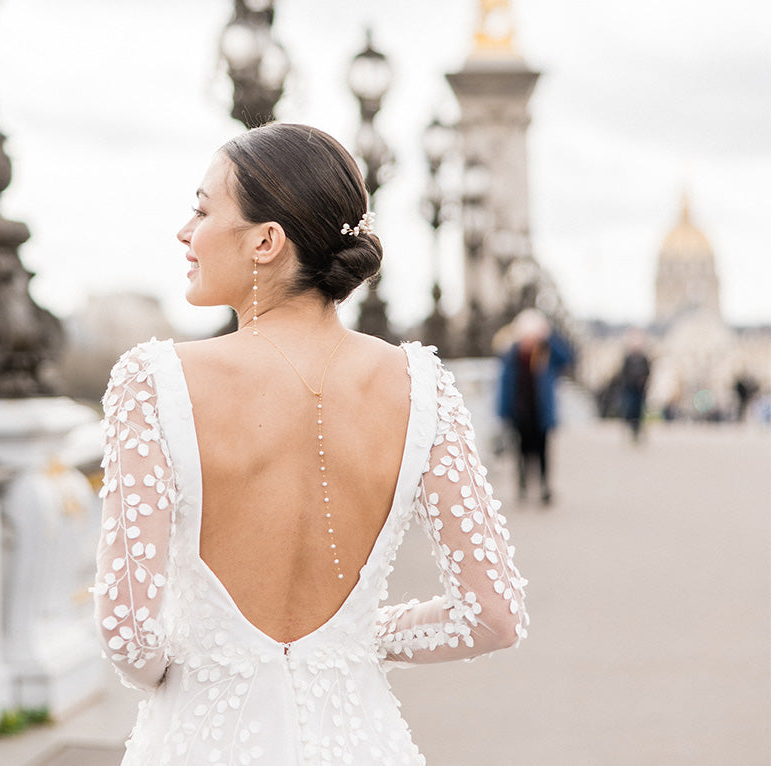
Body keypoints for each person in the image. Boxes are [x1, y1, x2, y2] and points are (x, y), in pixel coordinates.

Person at [92, 123, 528, 765]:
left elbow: (129, 633)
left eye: (203, 209)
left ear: (267, 242)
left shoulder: (155, 383)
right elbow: (493, 616)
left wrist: (199, 667)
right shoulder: (421, 385)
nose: (185, 232)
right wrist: (354, 638)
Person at [496, 309, 573, 506]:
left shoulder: (546, 353)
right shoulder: (511, 355)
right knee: (521, 452)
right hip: (519, 412)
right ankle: (522, 487)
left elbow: (567, 359)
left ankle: (545, 487)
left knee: (542, 451)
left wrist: (549, 336)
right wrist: (503, 412)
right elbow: (504, 385)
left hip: (540, 411)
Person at [617, 332, 651, 441]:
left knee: (638, 411)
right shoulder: (628, 358)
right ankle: (630, 428)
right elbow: (623, 373)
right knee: (629, 410)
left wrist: (643, 380)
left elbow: (648, 372)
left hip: (640, 390)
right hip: (629, 388)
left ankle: (636, 430)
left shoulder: (644, 358)